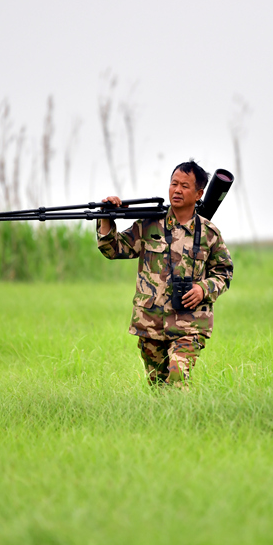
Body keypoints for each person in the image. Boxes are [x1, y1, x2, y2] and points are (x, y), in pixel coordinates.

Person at [97, 160, 234, 387]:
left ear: (199, 193)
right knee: (159, 387)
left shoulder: (209, 233)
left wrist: (203, 289)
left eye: (185, 186)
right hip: (150, 323)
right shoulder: (149, 224)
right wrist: (106, 217)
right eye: (174, 184)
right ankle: (169, 422)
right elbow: (113, 249)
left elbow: (224, 271)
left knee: (178, 376)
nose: (177, 190)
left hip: (190, 325)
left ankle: (187, 420)